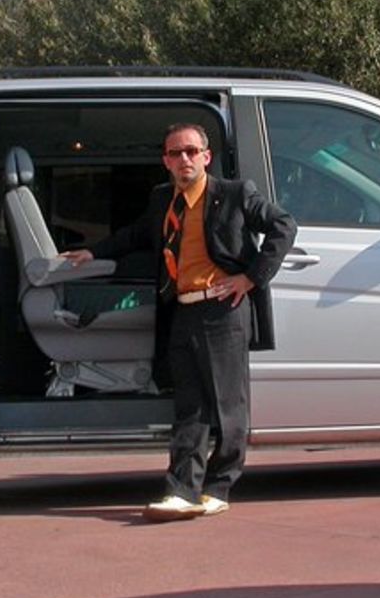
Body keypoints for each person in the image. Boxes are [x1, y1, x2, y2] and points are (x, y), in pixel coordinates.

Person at [62, 123, 297, 520]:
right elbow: (135, 235)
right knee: (189, 407)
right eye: (175, 153)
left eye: (191, 151)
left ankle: (219, 487)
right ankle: (182, 490)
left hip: (223, 309)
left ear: (207, 157)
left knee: (228, 404)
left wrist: (251, 277)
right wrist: (93, 252)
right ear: (165, 161)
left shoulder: (235, 194)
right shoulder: (162, 201)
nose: (183, 159)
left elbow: (283, 225)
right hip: (182, 309)